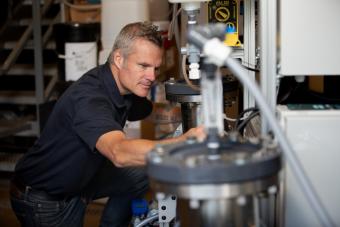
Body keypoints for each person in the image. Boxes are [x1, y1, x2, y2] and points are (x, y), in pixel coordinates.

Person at [10, 22, 204, 227]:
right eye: (144, 66)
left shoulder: (125, 88)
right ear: (119, 59)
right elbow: (119, 152)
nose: (152, 77)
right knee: (143, 158)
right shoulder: (90, 99)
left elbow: (154, 112)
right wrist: (184, 142)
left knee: (145, 171)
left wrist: (193, 114)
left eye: (155, 68)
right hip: (45, 198)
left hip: (82, 180)